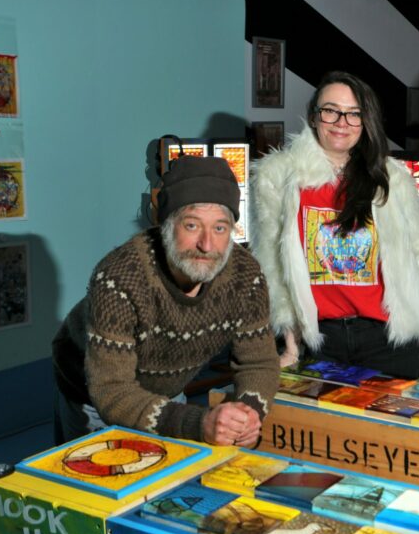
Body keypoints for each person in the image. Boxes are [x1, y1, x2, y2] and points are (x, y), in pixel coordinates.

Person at [53, 156, 279, 446]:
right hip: (93, 393)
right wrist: (198, 423)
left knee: (170, 481)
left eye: (220, 228)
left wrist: (248, 415)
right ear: (167, 226)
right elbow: (112, 392)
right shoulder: (119, 278)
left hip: (167, 389)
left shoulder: (245, 276)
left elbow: (259, 362)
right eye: (192, 225)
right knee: (95, 485)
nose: (207, 245)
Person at [250, 71, 419, 380]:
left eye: (354, 114)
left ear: (365, 121)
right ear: (314, 117)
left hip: (390, 340)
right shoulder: (279, 177)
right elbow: (275, 269)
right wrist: (291, 346)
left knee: (388, 429)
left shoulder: (392, 178)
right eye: (331, 110)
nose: (341, 122)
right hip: (322, 340)